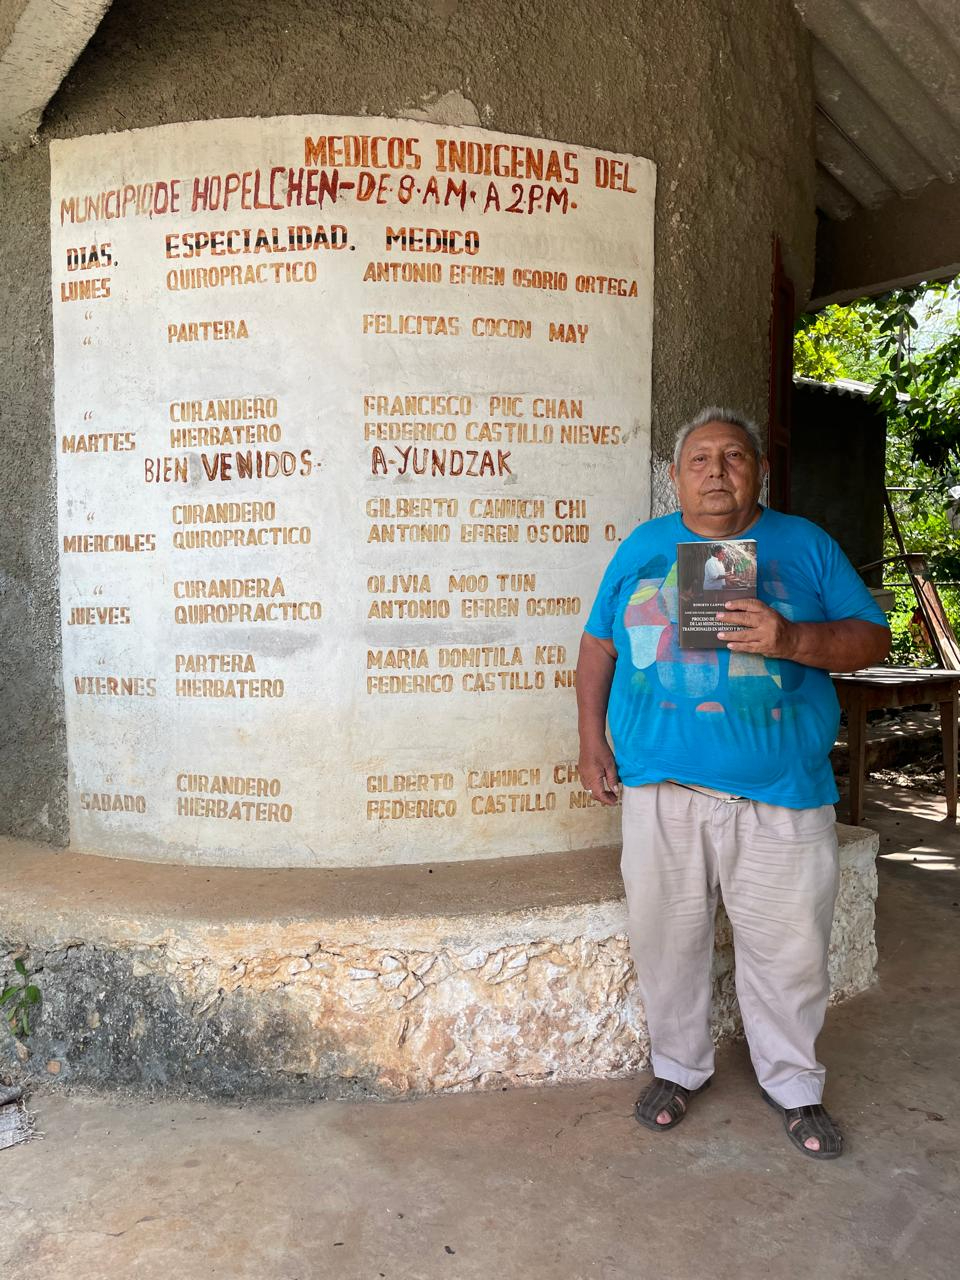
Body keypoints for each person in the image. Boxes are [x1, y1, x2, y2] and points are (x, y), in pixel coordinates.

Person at [576, 407, 890, 1159]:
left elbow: (873, 637)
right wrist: (591, 741)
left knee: (789, 949)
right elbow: (596, 648)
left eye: (734, 457)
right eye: (699, 459)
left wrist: (790, 637)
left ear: (760, 472)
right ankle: (679, 1067)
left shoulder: (805, 545)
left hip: (782, 791)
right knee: (667, 940)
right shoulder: (645, 547)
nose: (716, 470)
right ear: (676, 477)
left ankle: (794, 1084)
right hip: (663, 789)